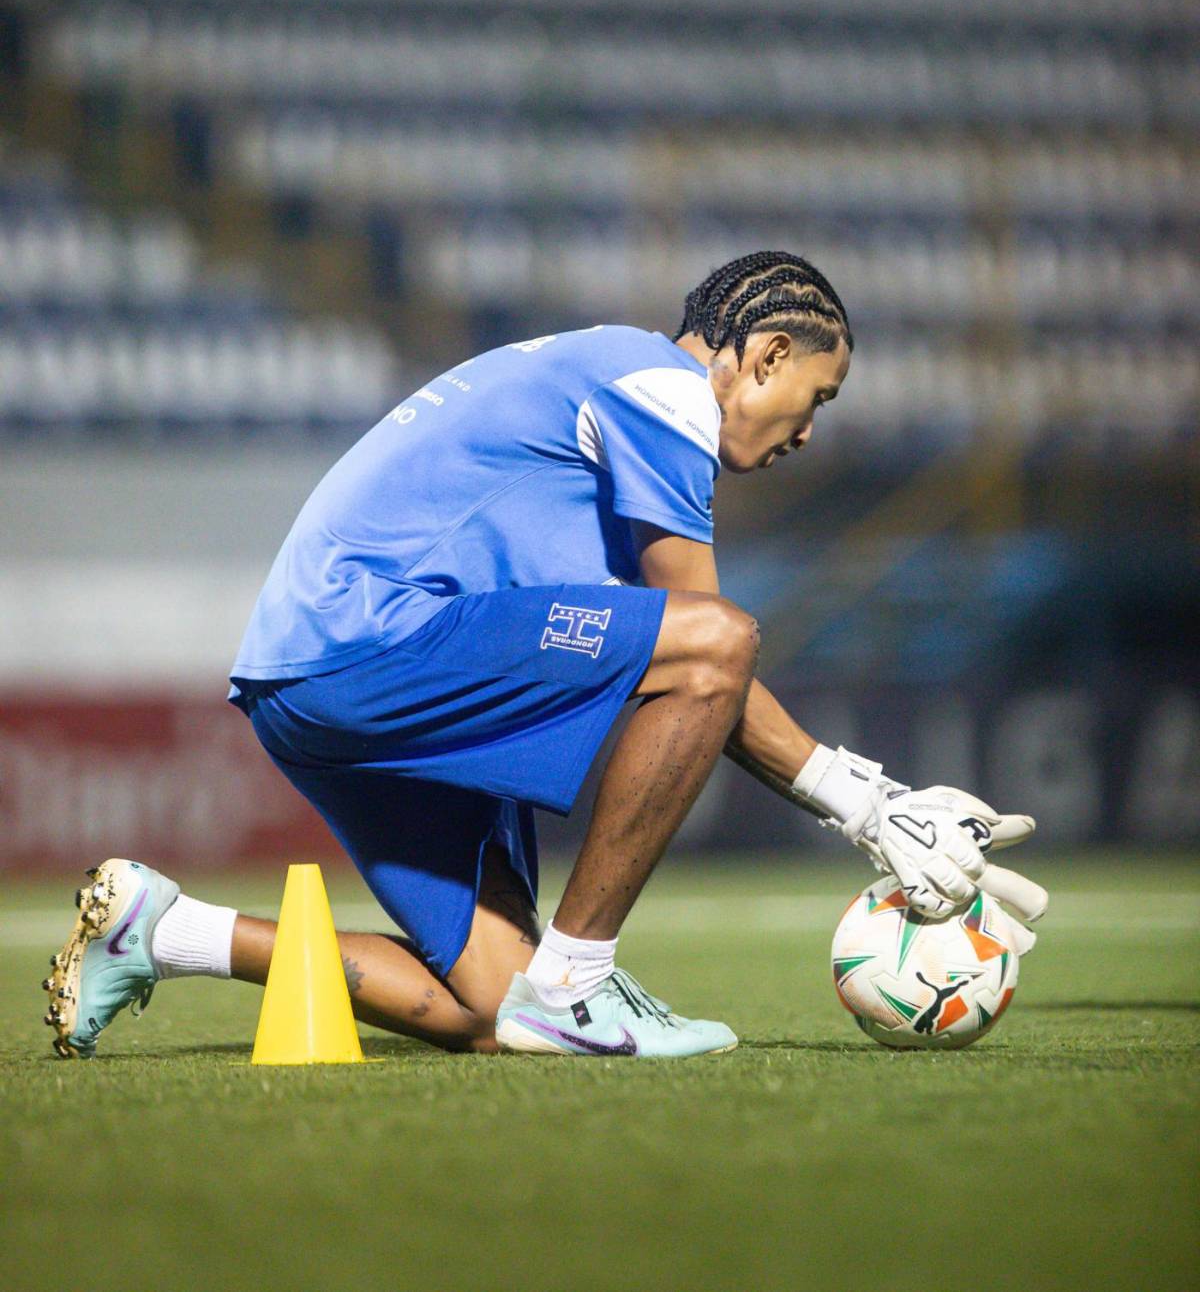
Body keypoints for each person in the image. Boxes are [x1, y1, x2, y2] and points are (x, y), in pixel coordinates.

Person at [45, 251, 1046, 1060]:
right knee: (717, 640)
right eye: (818, 397)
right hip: (369, 638)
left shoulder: (601, 380)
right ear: (769, 354)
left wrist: (860, 802)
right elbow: (707, 647)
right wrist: (870, 806)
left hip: (310, 676)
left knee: (489, 1007)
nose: (809, 432)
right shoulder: (664, 387)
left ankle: (161, 931)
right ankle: (579, 984)